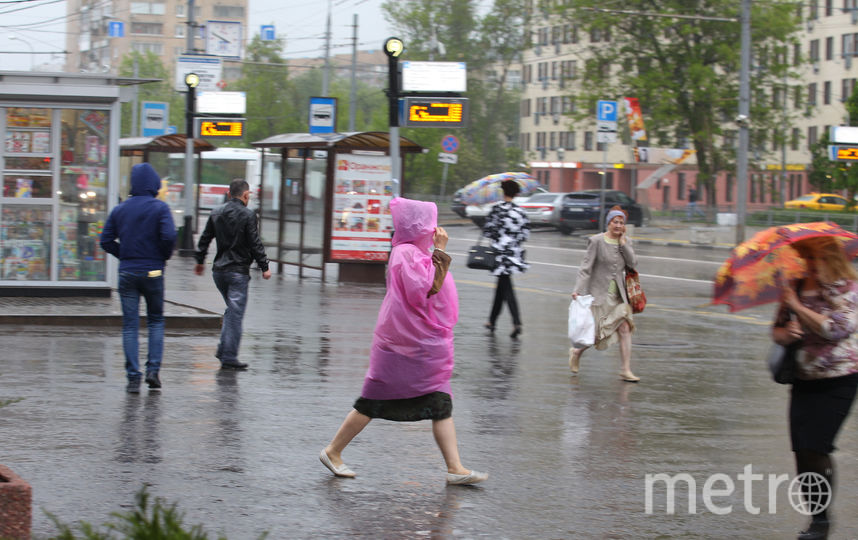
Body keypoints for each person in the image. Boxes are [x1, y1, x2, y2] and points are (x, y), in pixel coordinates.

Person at [320, 197, 488, 486]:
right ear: (419, 225)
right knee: (371, 403)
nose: (435, 228)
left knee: (440, 402)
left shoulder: (415, 253)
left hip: (422, 344)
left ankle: (455, 467)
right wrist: (441, 251)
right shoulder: (406, 253)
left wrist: (436, 253)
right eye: (430, 222)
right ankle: (333, 451)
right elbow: (425, 289)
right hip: (403, 345)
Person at [772, 237, 858, 540]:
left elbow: (836, 328)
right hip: (803, 378)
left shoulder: (845, 288)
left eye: (813, 258)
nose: (807, 264)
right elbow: (777, 332)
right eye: (804, 258)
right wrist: (787, 332)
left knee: (816, 447)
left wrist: (798, 307)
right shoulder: (794, 286)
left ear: (830, 258)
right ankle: (816, 516)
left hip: (839, 379)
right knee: (801, 452)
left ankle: (821, 523)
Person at [101, 163, 177, 393]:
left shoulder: (120, 209)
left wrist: (123, 254)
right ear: (153, 183)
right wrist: (161, 257)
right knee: (155, 320)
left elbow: (105, 240)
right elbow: (170, 236)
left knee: (130, 325)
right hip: (153, 272)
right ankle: (153, 371)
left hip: (127, 272)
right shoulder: (160, 208)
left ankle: (133, 377)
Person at [194, 179, 271, 370]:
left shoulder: (216, 212)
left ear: (229, 194)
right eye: (249, 194)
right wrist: (265, 266)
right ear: (246, 195)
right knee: (236, 313)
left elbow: (204, 239)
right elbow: (255, 242)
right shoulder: (248, 214)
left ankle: (223, 349)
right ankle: (229, 356)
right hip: (237, 272)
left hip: (219, 272)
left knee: (232, 310)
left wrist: (200, 261)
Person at [569, 206, 640, 382]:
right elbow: (586, 268)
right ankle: (577, 352)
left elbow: (632, 264)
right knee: (597, 334)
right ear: (609, 223)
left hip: (619, 296)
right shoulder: (597, 241)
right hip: (599, 295)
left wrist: (624, 244)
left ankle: (625, 369)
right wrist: (578, 289)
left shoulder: (626, 242)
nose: (618, 225)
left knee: (625, 328)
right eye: (615, 221)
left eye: (621, 223)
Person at [482, 179, 530, 339]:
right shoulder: (520, 212)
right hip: (513, 254)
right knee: (501, 287)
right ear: (516, 194)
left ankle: (517, 322)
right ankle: (491, 321)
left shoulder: (496, 210)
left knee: (506, 288)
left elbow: (488, 232)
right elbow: (525, 234)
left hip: (499, 254)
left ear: (503, 192)